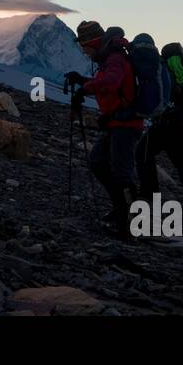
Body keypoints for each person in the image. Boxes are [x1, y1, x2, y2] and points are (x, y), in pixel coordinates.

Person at [64, 21, 143, 239]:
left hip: (126, 125)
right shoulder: (108, 58)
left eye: (84, 46)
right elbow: (106, 83)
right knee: (98, 162)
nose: (83, 51)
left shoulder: (114, 58)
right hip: (116, 123)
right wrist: (82, 81)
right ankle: (122, 209)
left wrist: (84, 89)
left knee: (121, 173)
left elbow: (111, 82)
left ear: (93, 42)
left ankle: (130, 224)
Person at [136, 42, 183, 202]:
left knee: (143, 152)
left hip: (166, 122)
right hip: (180, 120)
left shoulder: (161, 68)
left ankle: (149, 194)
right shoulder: (179, 68)